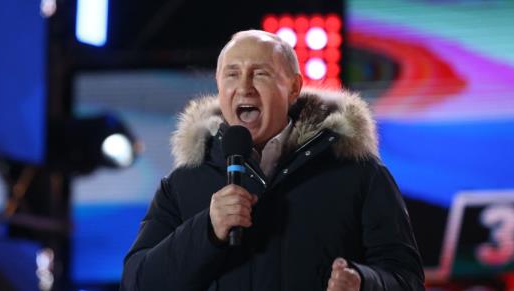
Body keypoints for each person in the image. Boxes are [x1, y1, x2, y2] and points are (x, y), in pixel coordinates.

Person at [121, 30, 424, 291]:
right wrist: (207, 230)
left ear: (293, 88)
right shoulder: (183, 182)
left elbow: (406, 278)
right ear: (218, 85)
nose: (244, 86)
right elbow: (137, 282)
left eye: (260, 73)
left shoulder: (358, 172)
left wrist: (362, 282)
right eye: (232, 74)